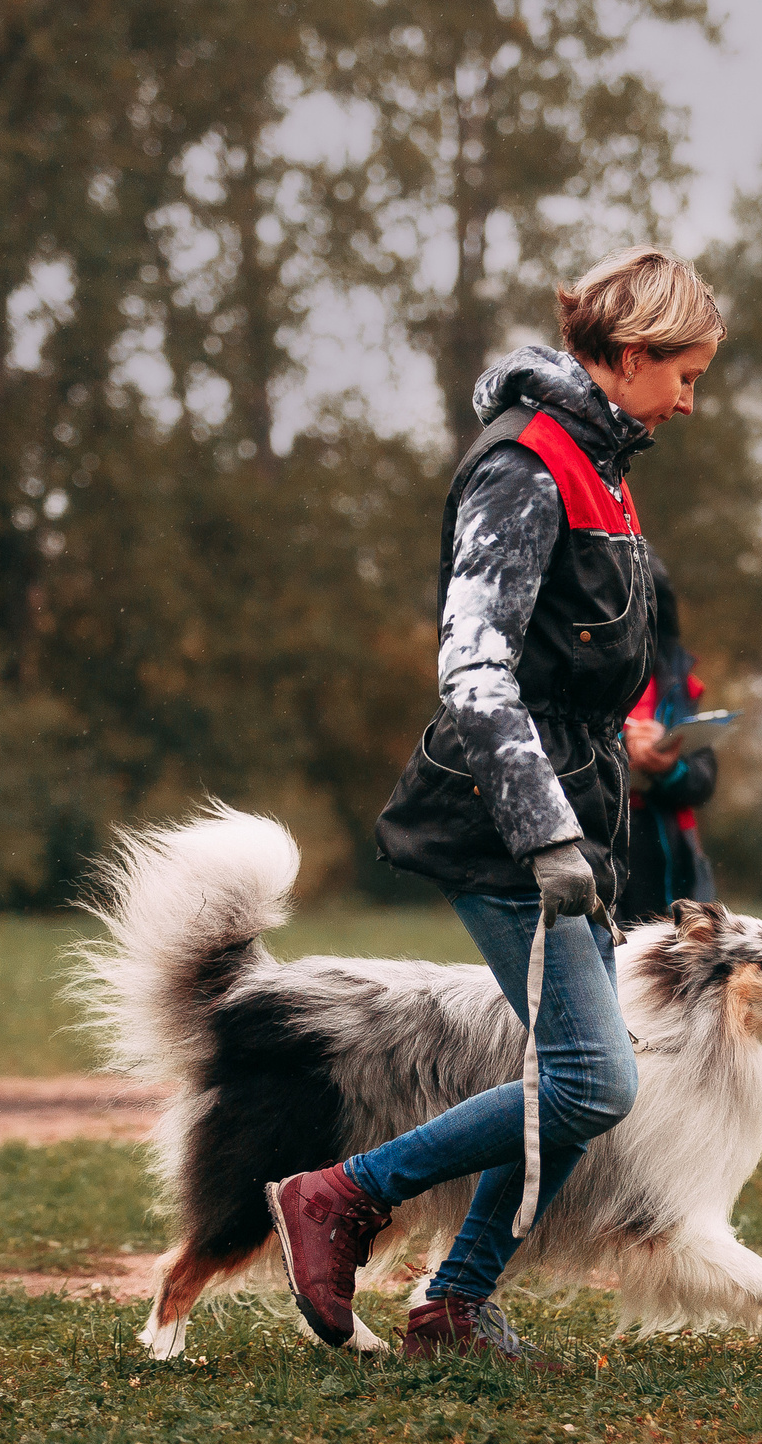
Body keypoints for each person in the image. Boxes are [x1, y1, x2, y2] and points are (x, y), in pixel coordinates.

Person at [264, 246, 725, 1363]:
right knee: (593, 1079)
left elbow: (574, 665)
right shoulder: (526, 466)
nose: (688, 402)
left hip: (576, 818)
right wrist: (548, 832)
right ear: (630, 354)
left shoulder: (603, 464)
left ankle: (455, 1303)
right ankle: (341, 1196)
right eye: (684, 376)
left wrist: (607, 778)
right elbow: (474, 673)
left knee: (575, 1079)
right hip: (510, 827)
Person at [617, 561, 718, 924]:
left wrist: (670, 767)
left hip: (667, 846)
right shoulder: (572, 664)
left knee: (674, 948)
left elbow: (703, 780)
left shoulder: (675, 678)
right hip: (597, 835)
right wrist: (617, 748)